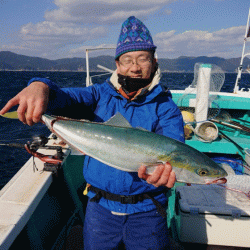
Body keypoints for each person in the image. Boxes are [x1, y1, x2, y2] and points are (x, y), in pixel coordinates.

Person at [0, 16, 184, 249]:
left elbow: (172, 147)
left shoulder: (166, 109)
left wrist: (167, 175)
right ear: (117, 65)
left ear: (154, 62)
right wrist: (40, 86)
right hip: (100, 210)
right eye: (127, 59)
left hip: (147, 211)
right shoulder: (99, 95)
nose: (134, 67)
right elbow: (66, 98)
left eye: (142, 59)